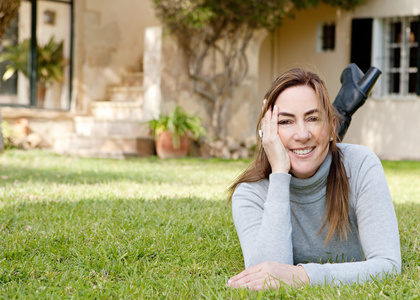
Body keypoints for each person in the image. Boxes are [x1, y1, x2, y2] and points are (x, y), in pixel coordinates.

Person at [226, 67, 401, 290]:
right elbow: (267, 275)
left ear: (331, 128)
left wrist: (304, 275)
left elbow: (388, 265)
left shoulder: (361, 165)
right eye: (285, 121)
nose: (302, 134)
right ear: (267, 132)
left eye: (313, 118)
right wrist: (279, 173)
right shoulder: (250, 193)